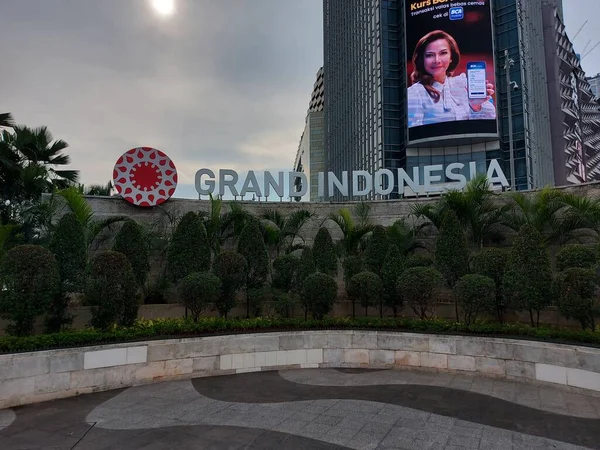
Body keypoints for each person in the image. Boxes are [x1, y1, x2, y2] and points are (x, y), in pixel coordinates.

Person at [407, 30, 496, 128]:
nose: (437, 60)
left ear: (451, 57)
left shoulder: (464, 84)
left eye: (443, 53)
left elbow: (488, 124)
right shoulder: (415, 93)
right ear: (422, 60)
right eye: (429, 55)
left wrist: (475, 106)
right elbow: (415, 133)